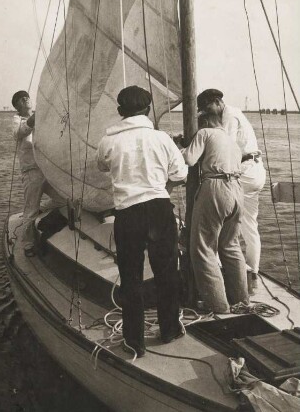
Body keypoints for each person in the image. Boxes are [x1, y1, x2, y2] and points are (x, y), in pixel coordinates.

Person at [97, 85, 188, 357]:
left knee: (131, 278)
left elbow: (102, 165)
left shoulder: (108, 140)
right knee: (167, 273)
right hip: (159, 209)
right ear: (148, 110)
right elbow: (181, 173)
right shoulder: (162, 139)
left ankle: (134, 342)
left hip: (128, 213)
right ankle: (169, 329)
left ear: (120, 111)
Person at [197, 89, 266, 291]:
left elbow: (221, 145)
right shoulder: (235, 113)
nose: (205, 113)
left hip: (243, 171)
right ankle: (253, 274)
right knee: (249, 225)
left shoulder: (229, 116)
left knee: (215, 218)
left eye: (206, 108)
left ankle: (220, 275)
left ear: (217, 102)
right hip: (255, 171)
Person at [180, 112, 249, 313]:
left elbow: (190, 159)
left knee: (202, 249)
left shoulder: (205, 132)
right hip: (237, 189)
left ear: (204, 121)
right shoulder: (232, 141)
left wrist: (178, 147)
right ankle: (241, 301)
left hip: (216, 187)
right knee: (231, 246)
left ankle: (218, 305)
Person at [11, 90, 65, 257]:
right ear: (17, 105)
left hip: (46, 170)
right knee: (30, 212)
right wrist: (42, 110)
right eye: (22, 98)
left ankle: (39, 209)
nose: (26, 99)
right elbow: (20, 132)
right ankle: (27, 244)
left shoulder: (39, 118)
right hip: (31, 173)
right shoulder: (17, 120)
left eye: (27, 96)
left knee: (62, 199)